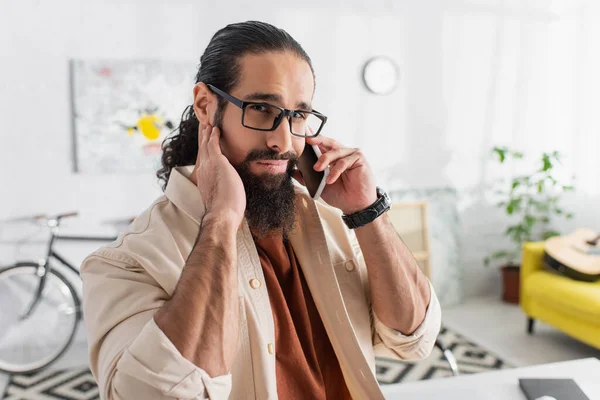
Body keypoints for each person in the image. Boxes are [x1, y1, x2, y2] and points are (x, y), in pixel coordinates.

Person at [81, 21, 442, 400]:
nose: (283, 141)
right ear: (206, 105)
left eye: (298, 115)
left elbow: (413, 339)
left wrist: (368, 211)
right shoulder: (126, 262)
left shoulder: (334, 221)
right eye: (260, 109)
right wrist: (220, 220)